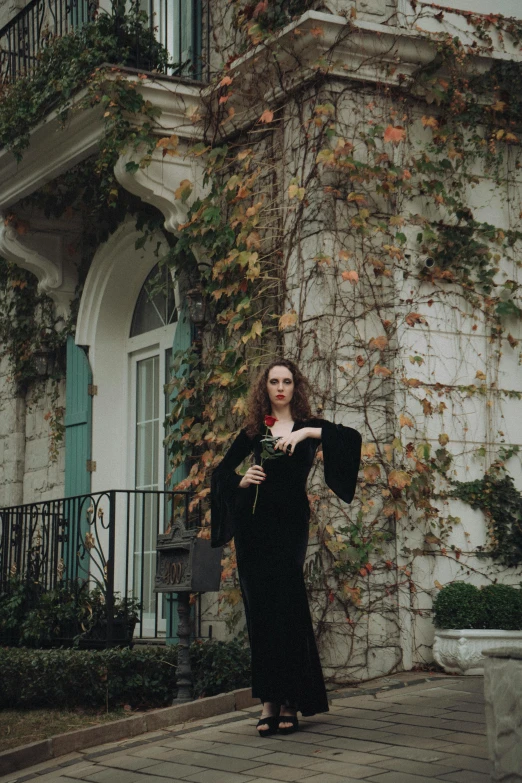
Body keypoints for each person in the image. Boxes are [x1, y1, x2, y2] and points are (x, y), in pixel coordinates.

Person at [210, 359, 362, 736]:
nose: (280, 387)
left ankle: (292, 701)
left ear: (296, 387)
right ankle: (268, 704)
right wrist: (242, 479)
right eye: (274, 381)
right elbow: (220, 474)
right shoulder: (253, 431)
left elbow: (350, 438)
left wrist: (306, 435)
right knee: (261, 614)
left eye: (287, 381)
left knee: (288, 608)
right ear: (265, 387)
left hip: (290, 524)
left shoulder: (312, 426)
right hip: (253, 528)